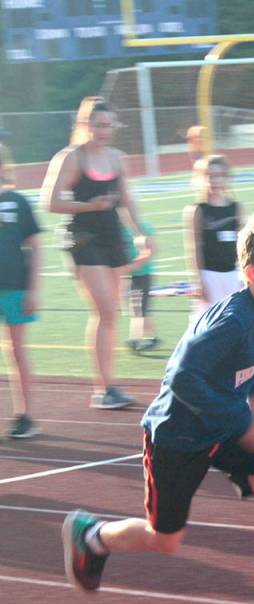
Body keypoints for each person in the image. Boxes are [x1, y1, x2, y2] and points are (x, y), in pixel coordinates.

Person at [61, 209, 254, 604]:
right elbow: (182, 378)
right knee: (165, 539)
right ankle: (91, 536)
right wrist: (245, 418)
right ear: (253, 274)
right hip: (179, 434)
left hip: (228, 422)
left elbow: (244, 362)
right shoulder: (231, 320)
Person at [41, 96, 154, 409]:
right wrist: (90, 205)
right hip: (82, 238)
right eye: (97, 125)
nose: (103, 131)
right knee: (104, 310)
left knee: (111, 314)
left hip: (111, 237)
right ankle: (102, 389)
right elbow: (49, 203)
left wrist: (142, 234)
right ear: (84, 125)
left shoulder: (117, 158)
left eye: (108, 125)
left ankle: (108, 385)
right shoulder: (71, 158)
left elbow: (127, 202)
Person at [0, 144, 41, 439]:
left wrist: (33, 289)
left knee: (16, 351)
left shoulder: (18, 202)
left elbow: (35, 247)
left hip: (14, 287)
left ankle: (24, 415)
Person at [184, 155, 244, 321]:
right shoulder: (198, 210)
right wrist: (198, 281)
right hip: (209, 275)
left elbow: (243, 244)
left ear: (227, 178)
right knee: (205, 322)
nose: (215, 181)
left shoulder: (236, 208)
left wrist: (243, 274)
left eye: (220, 176)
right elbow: (193, 248)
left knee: (233, 320)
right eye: (210, 176)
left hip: (232, 274)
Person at [122, 220, 159, 353]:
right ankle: (153, 337)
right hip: (127, 274)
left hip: (143, 273)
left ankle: (135, 339)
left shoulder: (142, 227)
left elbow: (152, 249)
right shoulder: (116, 229)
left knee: (139, 308)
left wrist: (135, 264)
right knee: (139, 308)